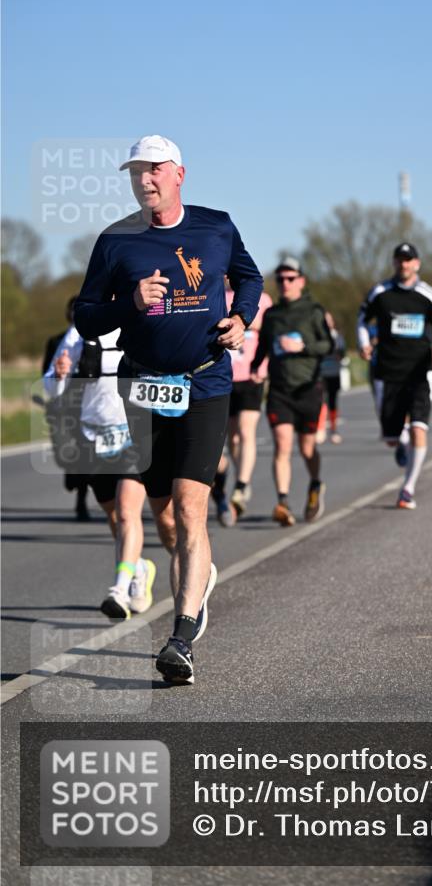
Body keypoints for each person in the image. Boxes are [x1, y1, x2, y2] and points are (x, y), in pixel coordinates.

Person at [74, 134, 263, 685]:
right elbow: (86, 316)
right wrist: (128, 304)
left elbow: (249, 277)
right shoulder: (115, 241)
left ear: (179, 173)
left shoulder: (216, 227)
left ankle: (180, 639)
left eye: (154, 169)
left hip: (205, 382)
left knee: (189, 506)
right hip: (142, 386)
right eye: (137, 172)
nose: (145, 180)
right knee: (164, 516)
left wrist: (241, 318)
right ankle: (198, 576)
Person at [44, 325, 170, 619]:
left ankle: (119, 590)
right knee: (114, 515)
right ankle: (139, 568)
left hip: (136, 428)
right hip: (94, 436)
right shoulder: (82, 330)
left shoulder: (142, 321)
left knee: (127, 511)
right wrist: (60, 374)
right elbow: (51, 386)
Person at [357, 242, 432, 510]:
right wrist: (364, 343)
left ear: (417, 264)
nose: (404, 264)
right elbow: (362, 319)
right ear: (394, 263)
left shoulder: (428, 295)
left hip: (421, 370)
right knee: (391, 438)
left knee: (419, 427)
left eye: (409, 260)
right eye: (400, 259)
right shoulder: (380, 293)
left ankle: (408, 488)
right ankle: (401, 440)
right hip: (388, 372)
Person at [249, 256, 333, 526]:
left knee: (307, 448)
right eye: (280, 279)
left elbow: (328, 345)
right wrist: (255, 366)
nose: (285, 283)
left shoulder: (313, 311)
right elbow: (263, 345)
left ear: (301, 281)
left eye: (290, 278)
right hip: (279, 390)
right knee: (282, 444)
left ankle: (316, 484)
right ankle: (283, 502)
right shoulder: (271, 315)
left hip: (308, 388)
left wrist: (303, 346)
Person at [211, 282, 273, 526]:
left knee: (247, 431)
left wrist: (263, 367)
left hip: (251, 375)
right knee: (232, 439)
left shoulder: (262, 298)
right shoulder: (214, 294)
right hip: (223, 376)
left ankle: (241, 484)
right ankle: (235, 475)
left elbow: (271, 333)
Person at [41, 296, 91, 521]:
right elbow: (47, 374)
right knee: (67, 450)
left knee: (84, 453)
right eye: (72, 310)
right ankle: (71, 472)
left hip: (88, 404)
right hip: (64, 405)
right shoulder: (56, 342)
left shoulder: (95, 338)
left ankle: (81, 500)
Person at [316, 312, 346, 444]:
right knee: (321, 401)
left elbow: (342, 353)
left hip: (334, 373)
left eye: (329, 320)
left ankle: (333, 430)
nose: (327, 323)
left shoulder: (337, 336)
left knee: (333, 402)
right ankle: (320, 429)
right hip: (320, 373)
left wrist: (337, 353)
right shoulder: (317, 335)